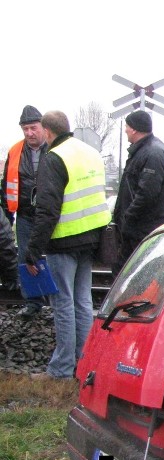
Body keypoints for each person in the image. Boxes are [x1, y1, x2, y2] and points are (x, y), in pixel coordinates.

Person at [25, 110, 110, 380]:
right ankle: (82, 363)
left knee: (62, 304)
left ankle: (61, 369)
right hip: (90, 240)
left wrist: (33, 249)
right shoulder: (90, 153)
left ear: (48, 132)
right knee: (83, 303)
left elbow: (47, 210)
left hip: (63, 241)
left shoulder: (54, 157)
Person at [1, 105, 50, 316]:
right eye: (25, 129)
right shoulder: (15, 151)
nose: (29, 133)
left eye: (33, 128)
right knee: (26, 258)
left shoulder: (55, 148)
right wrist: (6, 215)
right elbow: (7, 186)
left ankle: (55, 303)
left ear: (43, 127)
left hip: (52, 214)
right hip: (25, 214)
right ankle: (34, 303)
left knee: (54, 258)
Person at [112, 109, 164, 275]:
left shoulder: (152, 153)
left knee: (132, 274)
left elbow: (147, 194)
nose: (125, 130)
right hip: (137, 228)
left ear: (134, 129)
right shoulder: (146, 150)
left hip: (141, 229)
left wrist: (127, 216)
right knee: (124, 273)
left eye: (127, 126)